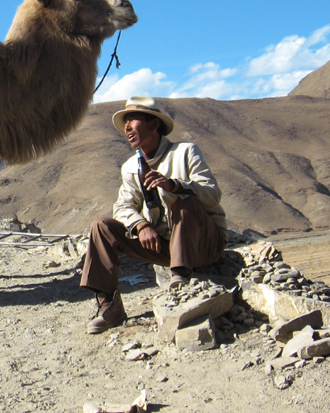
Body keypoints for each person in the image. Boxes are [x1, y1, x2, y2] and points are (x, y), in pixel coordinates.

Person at [80, 96, 227, 334]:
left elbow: (212, 193)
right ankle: (108, 305)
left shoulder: (185, 152)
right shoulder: (130, 167)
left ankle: (180, 281)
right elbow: (123, 207)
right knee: (101, 226)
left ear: (154, 124)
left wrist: (174, 186)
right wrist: (140, 225)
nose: (126, 128)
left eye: (132, 120)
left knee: (183, 204)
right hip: (165, 246)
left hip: (203, 244)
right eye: (124, 123)